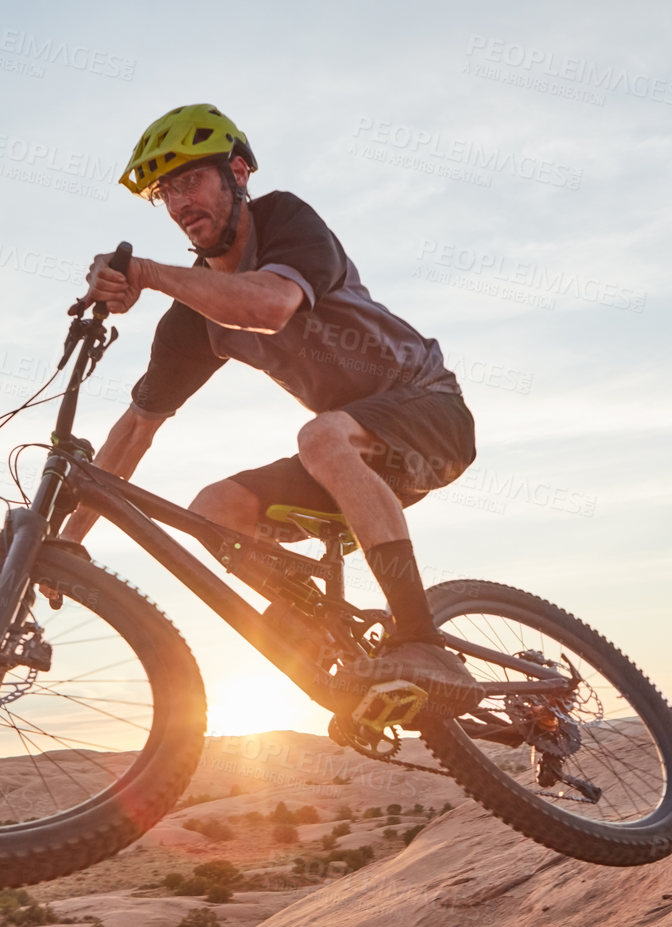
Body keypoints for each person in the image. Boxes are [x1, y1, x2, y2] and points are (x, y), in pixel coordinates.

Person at [57, 105, 480, 710]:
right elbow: (135, 431)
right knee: (214, 510)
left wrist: (146, 273)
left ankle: (420, 639)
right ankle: (327, 638)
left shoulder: (285, 220)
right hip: (354, 458)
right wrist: (69, 544)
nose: (179, 204)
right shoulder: (192, 321)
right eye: (165, 193)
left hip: (430, 412)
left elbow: (269, 306)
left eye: (190, 181)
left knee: (320, 437)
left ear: (237, 172)